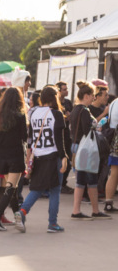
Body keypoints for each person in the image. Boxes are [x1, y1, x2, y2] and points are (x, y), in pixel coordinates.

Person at [19, 86, 68, 233]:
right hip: (53, 156)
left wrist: (29, 157)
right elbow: (59, 140)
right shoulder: (56, 114)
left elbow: (31, 138)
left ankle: (21, 212)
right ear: (55, 97)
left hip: (38, 155)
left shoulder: (33, 113)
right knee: (55, 189)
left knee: (36, 188)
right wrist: (64, 157)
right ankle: (52, 223)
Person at [0, 87, 28, 231]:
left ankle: (19, 221)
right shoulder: (20, 115)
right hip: (15, 154)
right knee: (11, 189)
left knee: (12, 189)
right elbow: (24, 136)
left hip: (2, 155)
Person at [68, 81, 109, 220]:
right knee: (90, 179)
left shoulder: (75, 109)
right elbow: (87, 131)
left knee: (81, 180)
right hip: (85, 149)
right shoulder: (84, 111)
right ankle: (92, 211)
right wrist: (95, 125)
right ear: (86, 96)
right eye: (92, 95)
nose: (93, 98)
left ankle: (79, 210)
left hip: (77, 147)